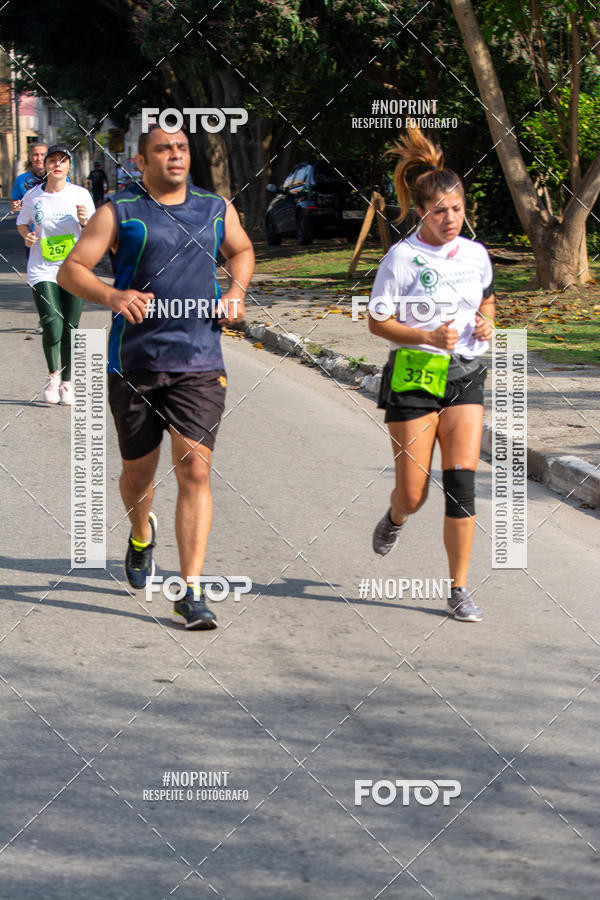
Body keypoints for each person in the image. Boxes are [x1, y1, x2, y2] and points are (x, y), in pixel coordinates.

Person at [58, 125, 255, 630]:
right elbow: (71, 270)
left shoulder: (215, 208)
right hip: (135, 365)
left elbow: (242, 250)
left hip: (200, 363)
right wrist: (112, 296)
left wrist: (235, 291)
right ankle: (140, 532)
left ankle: (189, 591)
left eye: (182, 148)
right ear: (142, 161)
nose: (175, 156)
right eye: (163, 149)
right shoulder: (119, 211)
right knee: (138, 477)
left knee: (194, 469)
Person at [368, 125, 495, 623]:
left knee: (461, 484)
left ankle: (459, 588)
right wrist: (426, 337)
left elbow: (487, 296)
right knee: (415, 492)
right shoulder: (401, 258)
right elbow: (378, 321)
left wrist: (487, 320)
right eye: (440, 211)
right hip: (415, 376)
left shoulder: (475, 253)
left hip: (465, 375)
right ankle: (396, 515)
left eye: (457, 209)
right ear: (421, 211)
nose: (450, 219)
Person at [16, 144, 96, 405]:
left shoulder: (81, 195)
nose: (57, 165)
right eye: (53, 160)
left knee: (71, 326)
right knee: (52, 323)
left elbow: (95, 233)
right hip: (43, 268)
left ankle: (67, 383)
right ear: (47, 166)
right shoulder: (33, 196)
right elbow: (22, 222)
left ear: (69, 166)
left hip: (74, 269)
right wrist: (26, 235)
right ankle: (52, 376)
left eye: (63, 161)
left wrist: (84, 221)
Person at [10, 141, 47, 214]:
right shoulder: (20, 180)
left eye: (42, 155)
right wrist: (14, 205)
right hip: (30, 224)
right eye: (35, 155)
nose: (39, 158)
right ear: (30, 157)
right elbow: (14, 201)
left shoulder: (59, 177)